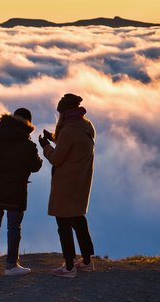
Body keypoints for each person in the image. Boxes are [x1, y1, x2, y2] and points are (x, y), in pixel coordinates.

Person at [38, 93, 96, 278]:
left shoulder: (69, 130)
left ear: (65, 112)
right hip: (81, 182)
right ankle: (87, 261)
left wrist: (45, 145)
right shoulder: (86, 125)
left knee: (63, 225)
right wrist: (55, 138)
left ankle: (69, 267)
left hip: (66, 184)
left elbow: (56, 158)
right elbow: (72, 145)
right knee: (79, 221)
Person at [0, 108, 43, 275]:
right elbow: (36, 166)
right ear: (28, 124)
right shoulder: (28, 145)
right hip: (15, 193)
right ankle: (11, 265)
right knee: (14, 228)